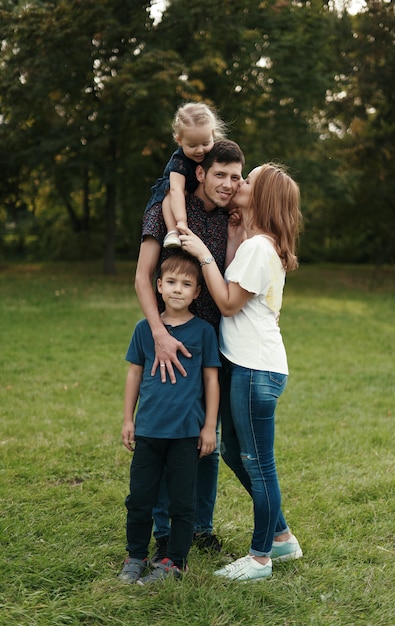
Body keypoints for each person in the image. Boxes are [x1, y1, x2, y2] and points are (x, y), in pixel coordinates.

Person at [180, 162, 303, 581]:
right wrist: (234, 233)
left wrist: (201, 254)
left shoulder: (259, 248)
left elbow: (229, 303)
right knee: (236, 453)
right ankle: (282, 536)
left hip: (256, 371)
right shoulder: (257, 244)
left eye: (247, 180)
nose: (238, 184)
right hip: (250, 366)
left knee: (258, 463)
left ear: (263, 196)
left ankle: (260, 558)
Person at [135, 139, 245, 562]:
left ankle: (200, 526)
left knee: (206, 442)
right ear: (200, 172)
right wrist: (159, 334)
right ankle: (163, 530)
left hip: (213, 345)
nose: (228, 184)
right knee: (166, 437)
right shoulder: (165, 209)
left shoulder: (233, 217)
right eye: (220, 174)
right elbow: (144, 278)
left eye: (235, 177)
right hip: (171, 343)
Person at [119, 251, 221, 585]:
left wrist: (208, 427)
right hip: (148, 430)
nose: (178, 289)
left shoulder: (204, 332)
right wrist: (128, 420)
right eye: (172, 282)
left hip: (185, 434)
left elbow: (210, 381)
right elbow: (133, 376)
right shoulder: (144, 329)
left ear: (197, 292)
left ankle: (175, 561)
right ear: (158, 286)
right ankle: (136, 556)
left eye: (187, 284)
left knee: (182, 502)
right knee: (140, 499)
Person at [144, 101, 227, 248]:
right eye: (192, 145)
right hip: (174, 192)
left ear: (212, 135)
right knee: (170, 191)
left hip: (197, 198)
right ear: (179, 140)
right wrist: (181, 221)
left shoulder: (214, 154)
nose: (200, 150)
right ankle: (172, 232)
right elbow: (176, 190)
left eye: (205, 143)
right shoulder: (179, 160)